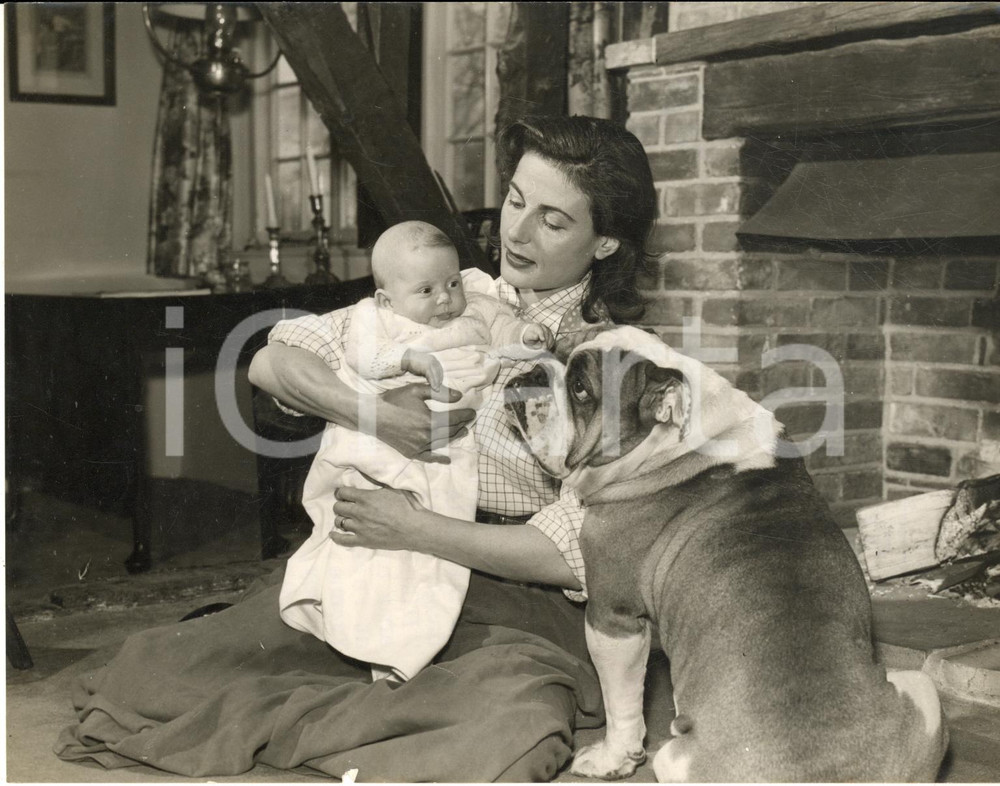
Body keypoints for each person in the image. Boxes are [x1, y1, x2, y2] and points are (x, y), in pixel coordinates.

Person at [54, 115, 658, 782]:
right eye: (516, 200)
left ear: (603, 244)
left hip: (515, 591)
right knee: (161, 672)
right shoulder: (457, 292)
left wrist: (417, 529)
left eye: (552, 220)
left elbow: (582, 554)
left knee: (506, 729)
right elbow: (273, 360)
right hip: (381, 563)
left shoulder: (610, 363)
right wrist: (375, 414)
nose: (515, 231)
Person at [280, 219, 553, 682]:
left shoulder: (480, 304)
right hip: (381, 435)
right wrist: (407, 363)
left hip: (451, 443)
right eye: (426, 291)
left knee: (421, 550)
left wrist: (527, 338)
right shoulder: (378, 317)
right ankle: (367, 626)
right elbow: (358, 358)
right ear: (389, 298)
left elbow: (508, 331)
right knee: (370, 542)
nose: (445, 298)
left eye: (450, 283)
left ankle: (402, 641)